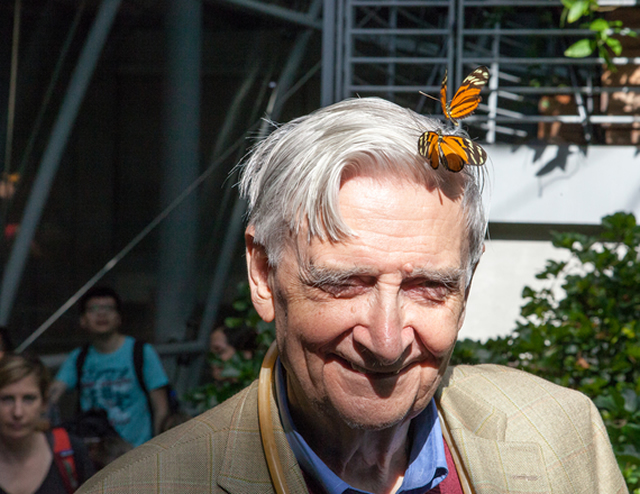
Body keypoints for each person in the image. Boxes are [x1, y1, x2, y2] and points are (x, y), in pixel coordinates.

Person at [77, 98, 626, 493]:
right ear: (264, 275)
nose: (386, 343)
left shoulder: (560, 432)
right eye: (343, 283)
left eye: (428, 287)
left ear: (467, 284)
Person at [48, 286, 170, 448]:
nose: (101, 314)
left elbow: (161, 408)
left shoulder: (141, 352)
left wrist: (158, 450)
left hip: (137, 451)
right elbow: (51, 395)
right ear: (83, 320)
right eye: (93, 309)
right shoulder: (78, 358)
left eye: (109, 308)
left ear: (119, 318)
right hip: (94, 453)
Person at [0, 353, 95, 493]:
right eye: (7, 399)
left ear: (44, 403)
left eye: (28, 399)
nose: (17, 412)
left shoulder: (70, 452)